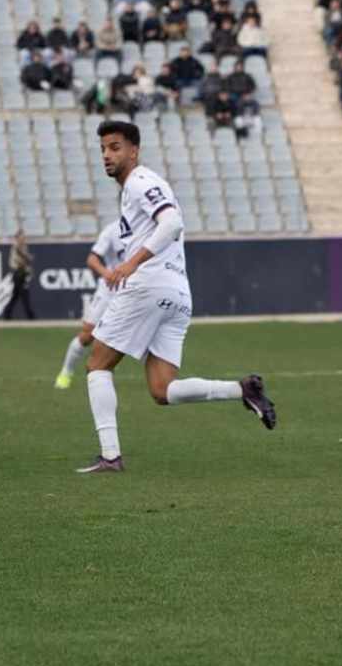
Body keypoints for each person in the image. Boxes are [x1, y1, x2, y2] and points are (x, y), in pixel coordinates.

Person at [76, 121, 277, 474]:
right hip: (177, 293)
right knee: (162, 390)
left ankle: (110, 456)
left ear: (134, 150)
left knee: (97, 365)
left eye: (115, 147)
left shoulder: (141, 181)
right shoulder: (133, 189)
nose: (107, 155)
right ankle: (242, 389)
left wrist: (131, 263)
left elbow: (171, 224)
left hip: (147, 285)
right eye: (103, 149)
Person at [56, 219, 120, 390]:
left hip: (136, 292)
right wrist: (107, 273)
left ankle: (162, 378)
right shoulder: (112, 230)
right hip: (109, 291)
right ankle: (66, 373)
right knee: (86, 335)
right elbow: (92, 260)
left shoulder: (150, 230)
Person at [3, 231, 35, 320]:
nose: (23, 239)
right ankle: (30, 315)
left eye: (23, 237)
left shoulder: (22, 248)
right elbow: (21, 260)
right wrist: (29, 258)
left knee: (16, 295)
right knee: (24, 294)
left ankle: (7, 314)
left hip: (22, 273)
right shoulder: (16, 248)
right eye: (21, 237)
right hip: (19, 273)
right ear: (17, 238)